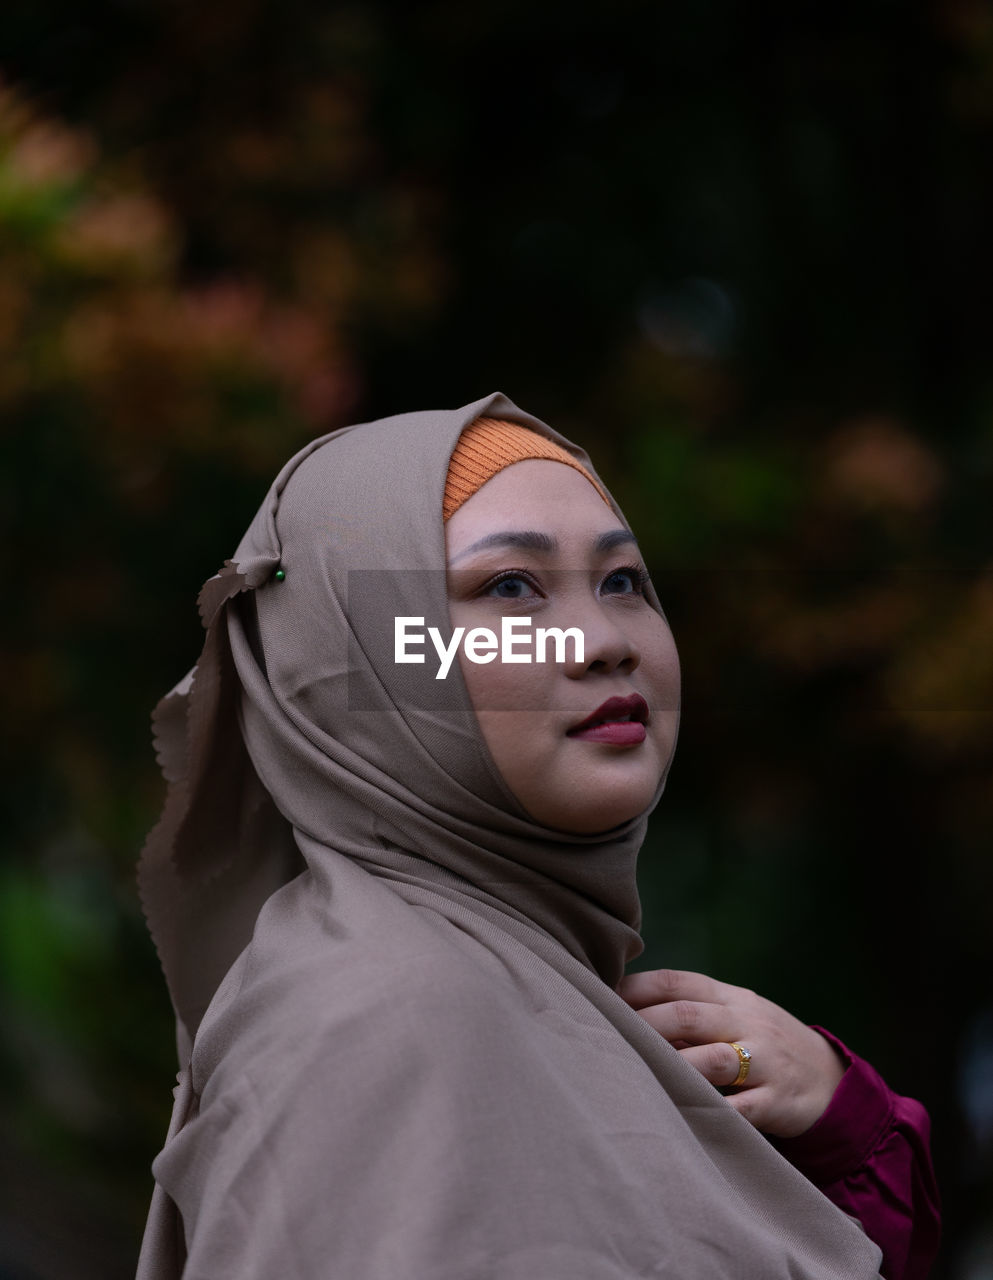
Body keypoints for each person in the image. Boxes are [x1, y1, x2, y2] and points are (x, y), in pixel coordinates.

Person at [136, 393, 939, 1279]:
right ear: (364, 658)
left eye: (623, 581)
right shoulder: (390, 1021)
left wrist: (842, 1128)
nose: (603, 641)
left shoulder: (527, 992)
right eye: (508, 587)